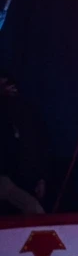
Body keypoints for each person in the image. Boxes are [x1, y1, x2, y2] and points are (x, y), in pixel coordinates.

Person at [0, 71, 49, 215]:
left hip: (26, 179)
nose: (10, 88)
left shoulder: (27, 114)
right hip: (6, 178)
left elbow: (39, 145)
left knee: (34, 212)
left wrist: (41, 178)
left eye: (10, 84)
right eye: (4, 85)